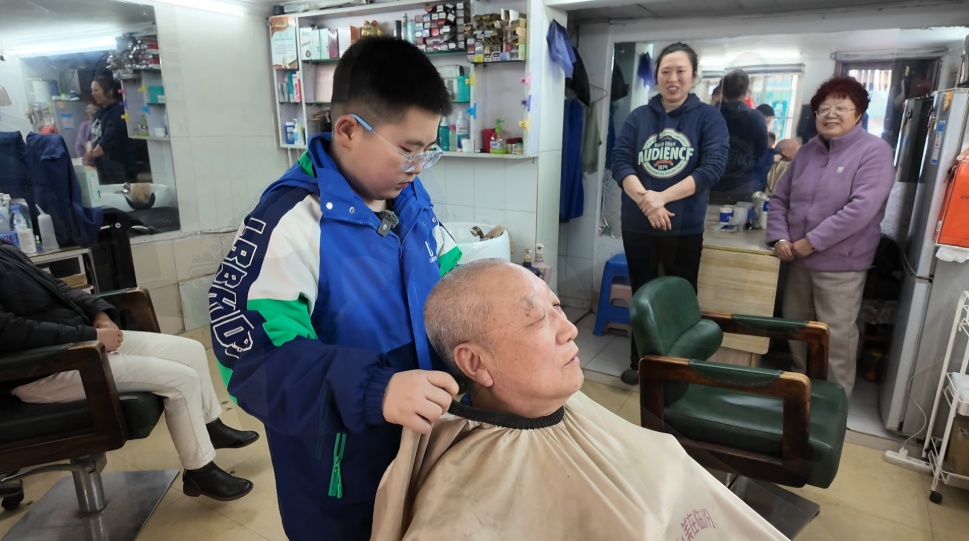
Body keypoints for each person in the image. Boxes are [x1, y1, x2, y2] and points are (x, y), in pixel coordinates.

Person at [207, 37, 463, 541]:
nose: (417, 167)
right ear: (348, 129)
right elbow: (252, 360)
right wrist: (377, 388)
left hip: (420, 451)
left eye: (427, 151)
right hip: (341, 477)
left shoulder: (410, 199)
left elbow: (452, 281)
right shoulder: (290, 223)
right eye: (407, 150)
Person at [370, 259, 788, 541]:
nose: (569, 329)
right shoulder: (461, 507)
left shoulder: (565, 405)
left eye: (556, 305)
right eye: (537, 318)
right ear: (475, 362)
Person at [0, 238, 258, 501]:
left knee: (191, 350)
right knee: (181, 380)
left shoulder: (5, 248)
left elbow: (59, 289)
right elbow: (8, 331)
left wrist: (100, 315)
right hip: (44, 367)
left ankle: (210, 426)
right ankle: (200, 471)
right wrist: (90, 335)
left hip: (80, 343)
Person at [767, 76, 895, 397]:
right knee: (797, 328)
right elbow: (780, 198)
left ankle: (834, 402)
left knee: (835, 337)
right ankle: (799, 394)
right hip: (797, 260)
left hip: (841, 266)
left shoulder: (874, 152)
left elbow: (861, 209)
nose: (830, 114)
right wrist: (780, 238)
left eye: (841, 108)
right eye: (823, 109)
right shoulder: (807, 152)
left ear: (859, 113)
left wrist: (812, 241)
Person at [611, 42, 729, 386]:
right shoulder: (638, 117)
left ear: (694, 76)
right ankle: (641, 362)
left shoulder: (708, 117)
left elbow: (712, 168)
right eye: (666, 71)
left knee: (680, 297)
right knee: (642, 294)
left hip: (684, 226)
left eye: (680, 71)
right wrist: (647, 202)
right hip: (638, 225)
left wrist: (660, 198)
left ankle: (678, 367)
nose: (672, 78)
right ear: (657, 76)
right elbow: (620, 163)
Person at [709, 69, 769, 203]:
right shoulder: (756, 118)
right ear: (746, 91)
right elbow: (762, 151)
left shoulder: (710, 115)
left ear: (723, 91)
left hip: (711, 184)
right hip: (743, 185)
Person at [86, 76, 135, 184]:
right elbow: (91, 136)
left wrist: (93, 155)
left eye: (96, 90)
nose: (93, 94)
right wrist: (89, 151)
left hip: (118, 165)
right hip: (101, 165)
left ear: (109, 92)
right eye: (92, 91)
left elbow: (110, 138)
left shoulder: (119, 111)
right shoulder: (99, 112)